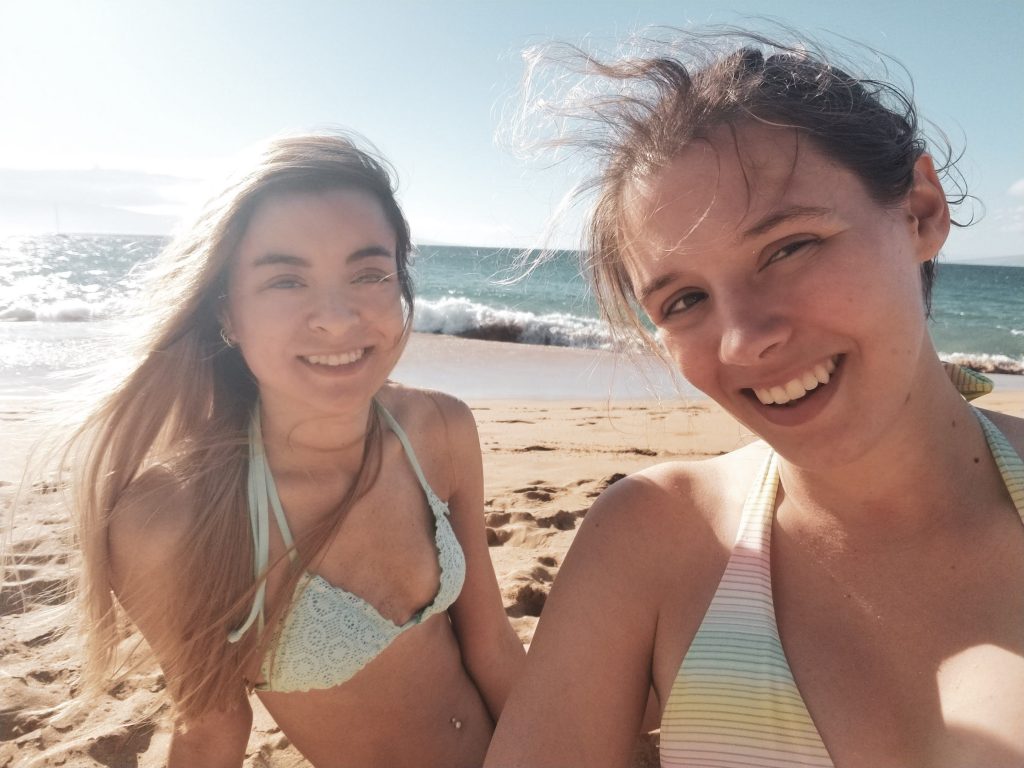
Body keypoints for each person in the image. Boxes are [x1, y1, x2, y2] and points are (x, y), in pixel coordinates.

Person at [485, 30, 1024, 768]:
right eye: (683, 301)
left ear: (922, 211)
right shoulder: (651, 544)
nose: (743, 341)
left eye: (789, 247)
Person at [67, 133, 524, 767]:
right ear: (228, 313)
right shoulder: (172, 522)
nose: (337, 319)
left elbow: (491, 642)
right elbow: (208, 731)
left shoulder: (439, 429)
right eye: (286, 281)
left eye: (369, 273)